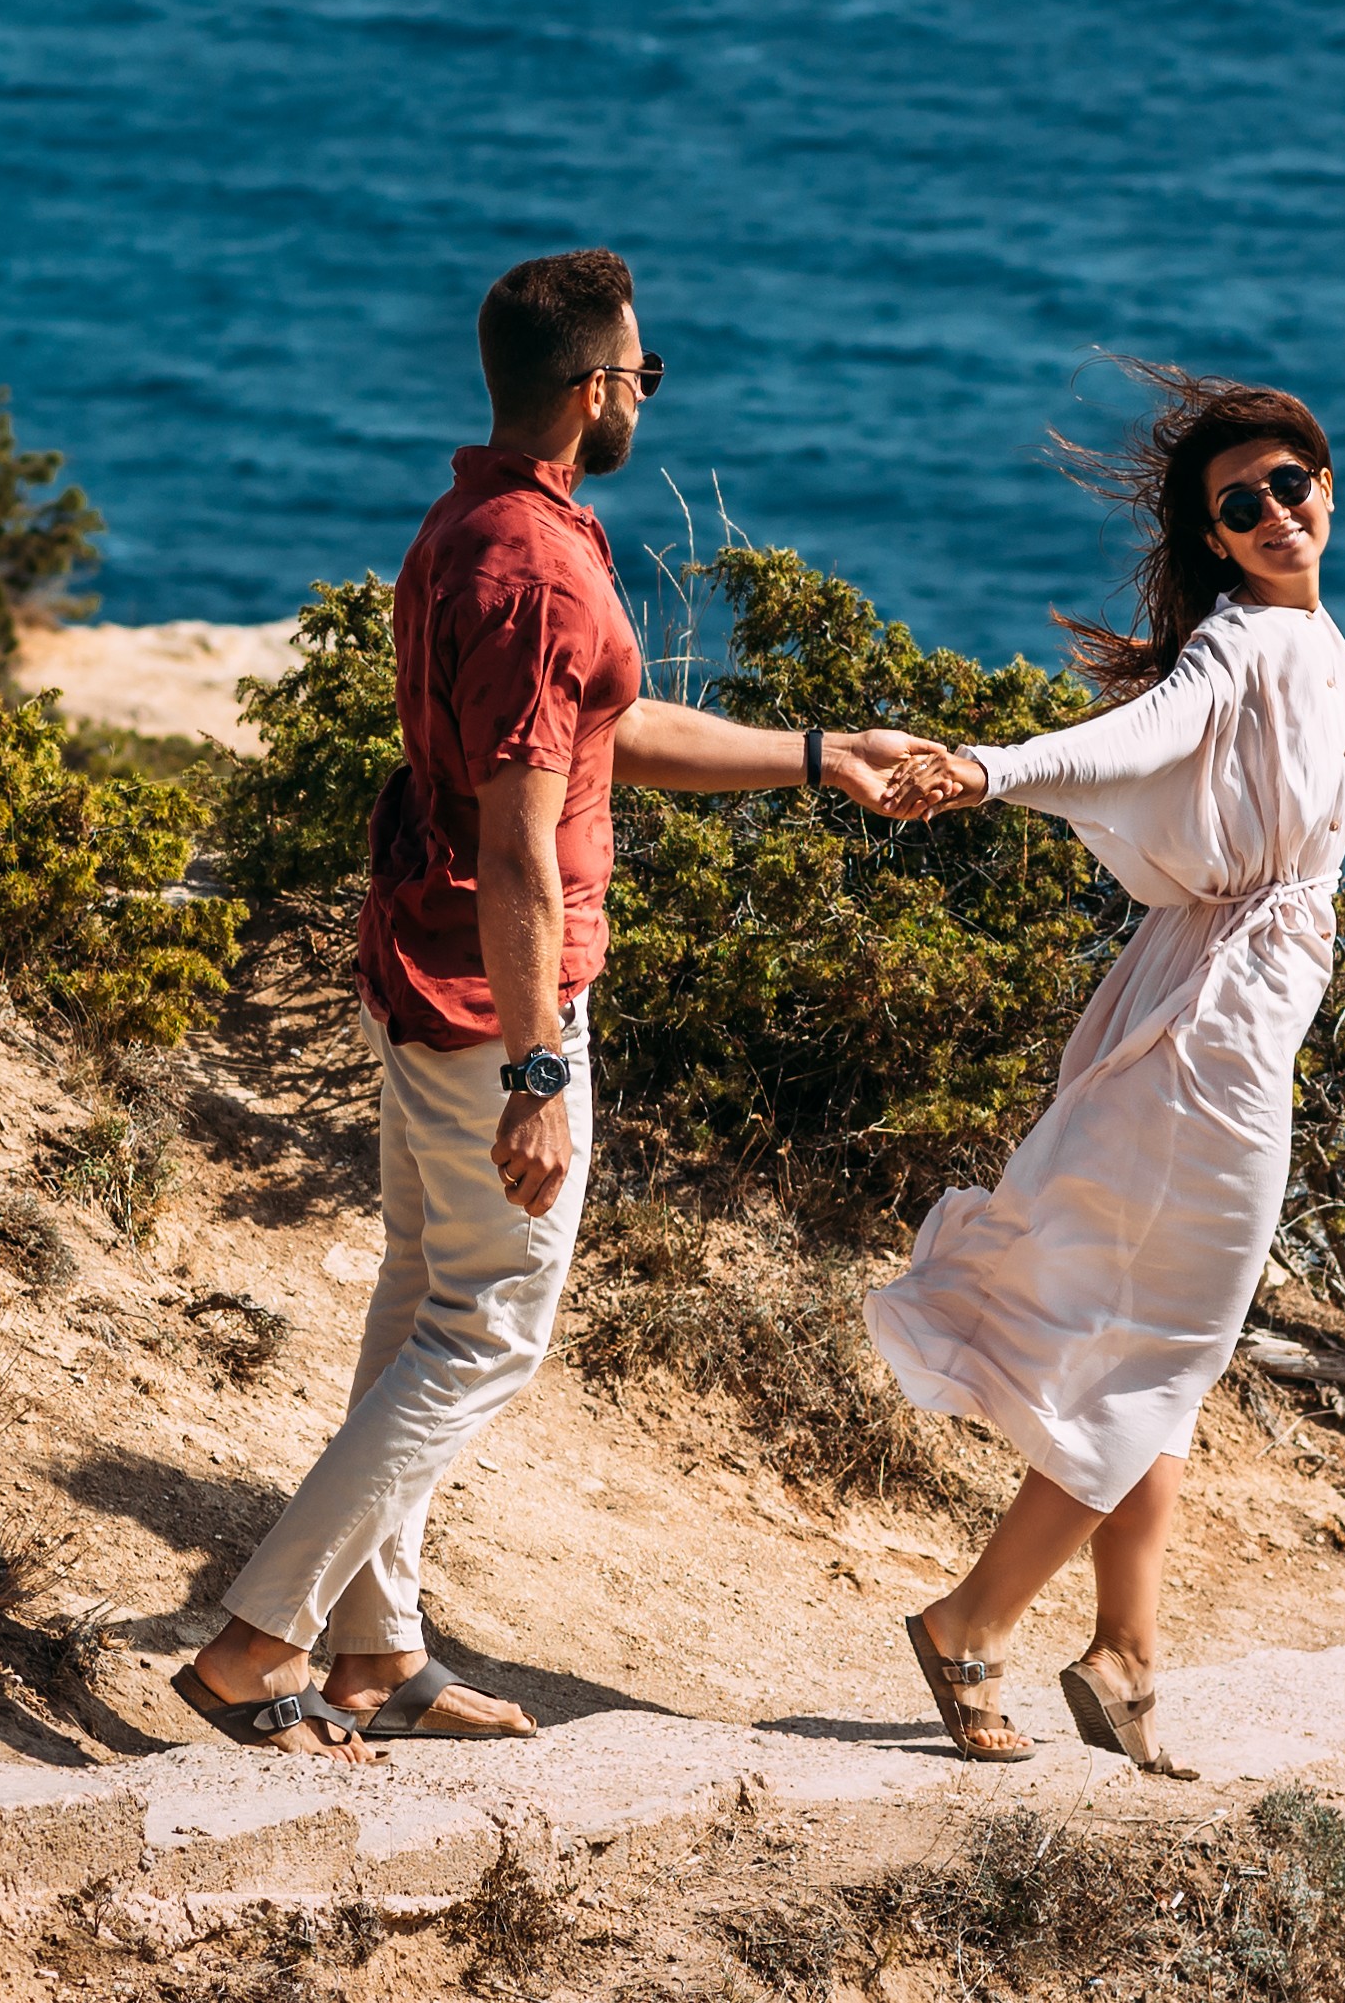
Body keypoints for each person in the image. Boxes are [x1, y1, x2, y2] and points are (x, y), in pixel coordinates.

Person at [173, 247, 926, 1759]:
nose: (648, 391)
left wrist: (814, 750)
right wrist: (534, 1067)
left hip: (424, 968)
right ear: (595, 390)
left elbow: (606, 728)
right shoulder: (533, 571)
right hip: (485, 1002)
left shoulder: (484, 524)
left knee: (417, 1304)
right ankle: (260, 1638)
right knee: (489, 1332)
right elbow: (521, 838)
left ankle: (378, 1648)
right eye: (643, 372)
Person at [863, 368, 1345, 1779]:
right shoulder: (1241, 643)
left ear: (1328, 486)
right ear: (1213, 533)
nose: (1278, 509)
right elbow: (1136, 739)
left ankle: (1126, 1651)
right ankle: (974, 1622)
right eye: (1244, 501)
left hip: (1230, 1006)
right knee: (1174, 1337)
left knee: (1174, 1345)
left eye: (1295, 482)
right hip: (1211, 1036)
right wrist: (990, 768)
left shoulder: (1307, 634)